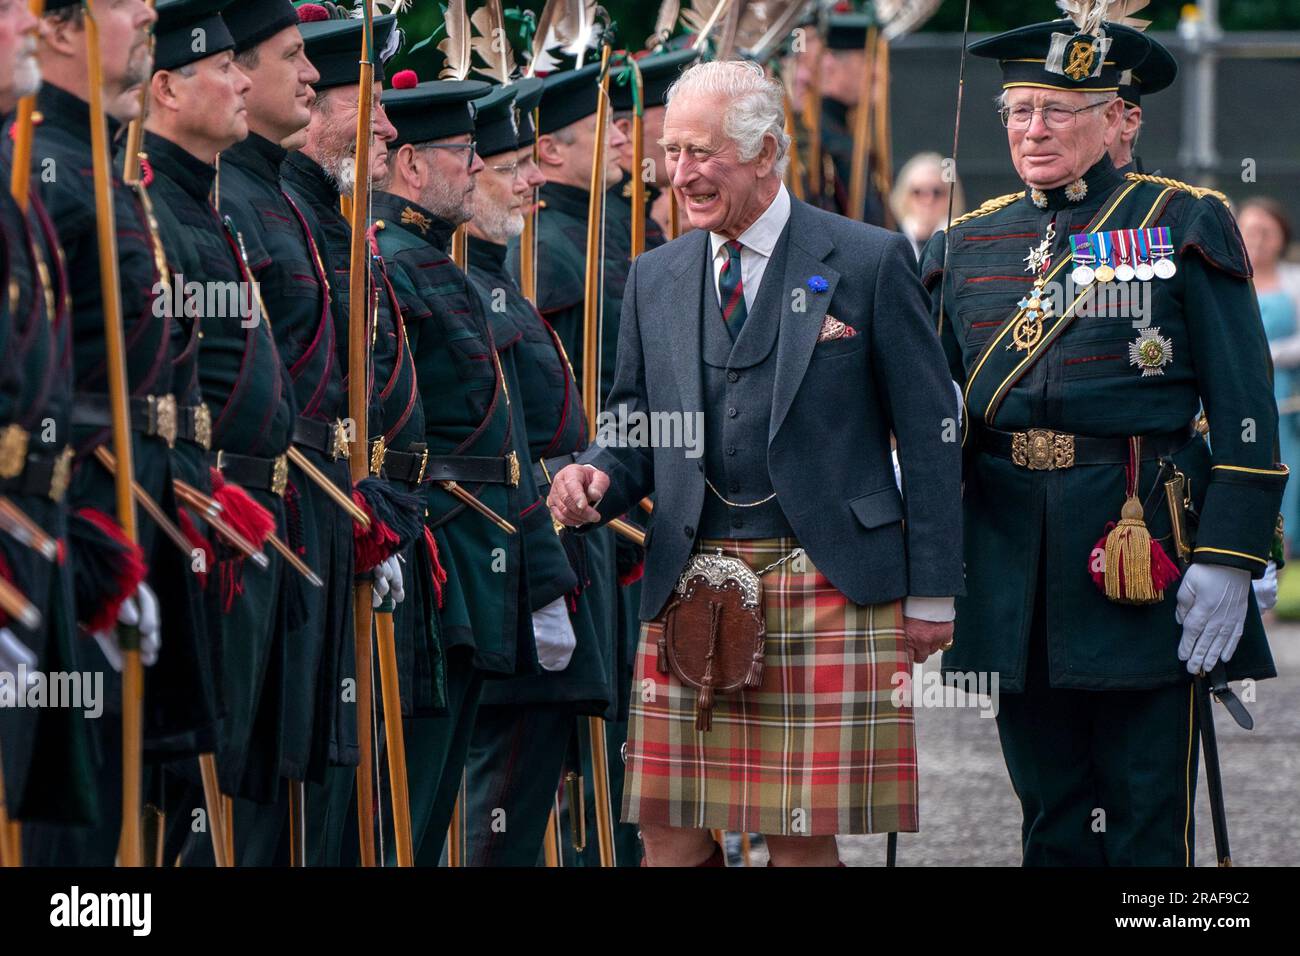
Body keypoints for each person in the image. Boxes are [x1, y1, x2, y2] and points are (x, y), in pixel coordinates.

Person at [547, 59, 962, 867]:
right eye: (672, 153)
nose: (681, 174)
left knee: (799, 835)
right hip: (689, 576)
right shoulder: (656, 273)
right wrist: (600, 470)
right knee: (668, 832)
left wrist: (933, 591)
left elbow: (930, 431)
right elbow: (638, 418)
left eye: (703, 152)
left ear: (768, 151)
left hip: (831, 579)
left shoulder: (869, 261)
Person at [922, 13, 1284, 866]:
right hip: (1012, 566)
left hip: (1141, 556)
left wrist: (1231, 553)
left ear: (1122, 119)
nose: (1033, 129)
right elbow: (930, 416)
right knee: (1049, 814)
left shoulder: (1185, 221)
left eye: (1058, 109)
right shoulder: (967, 243)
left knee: (1147, 815)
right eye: (1018, 110)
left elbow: (1244, 404)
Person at [23, 0, 199, 867]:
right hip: (70, 527)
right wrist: (81, 526)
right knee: (67, 832)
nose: (148, 14)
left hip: (120, 517)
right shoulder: (38, 166)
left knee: (122, 819)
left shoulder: (97, 163)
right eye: (127, 1)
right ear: (59, 28)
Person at [370, 72, 541, 866]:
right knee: (409, 798)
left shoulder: (431, 259)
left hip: (476, 553)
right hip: (439, 549)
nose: (479, 166)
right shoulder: (396, 260)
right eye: (464, 152)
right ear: (410, 167)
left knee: (435, 799)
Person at [460, 79, 623, 866]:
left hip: (555, 540)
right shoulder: (474, 277)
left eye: (531, 162)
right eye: (508, 163)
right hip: (516, 552)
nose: (531, 180)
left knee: (526, 791)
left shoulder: (497, 275)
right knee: (497, 796)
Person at [281, 8, 414, 866]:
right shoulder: (282, 211)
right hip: (289, 522)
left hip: (343, 518)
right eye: (366, 106)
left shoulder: (323, 215)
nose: (387, 127)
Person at [513, 61, 644, 866]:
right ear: (553, 156)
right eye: (606, 126)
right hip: (577, 497)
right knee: (575, 741)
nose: (625, 133)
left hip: (613, 494)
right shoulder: (552, 249)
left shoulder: (598, 230)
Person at [1239, 198, 1299, 552]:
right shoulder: (1226, 275)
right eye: (1250, 231)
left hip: (1283, 401)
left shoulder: (1294, 281)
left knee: (1283, 476)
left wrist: (1270, 355)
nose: (1258, 240)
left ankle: (1278, 558)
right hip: (1230, 397)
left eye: (1266, 232)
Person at [793, 11, 888, 226]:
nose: (879, 73)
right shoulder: (822, 140)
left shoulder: (844, 135)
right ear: (830, 63)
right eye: (866, 60)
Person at [609, 47, 699, 252]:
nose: (688, 134)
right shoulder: (609, 224)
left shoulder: (647, 207)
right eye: (671, 121)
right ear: (626, 132)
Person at [891, 151, 964, 260]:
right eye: (917, 192)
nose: (928, 200)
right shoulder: (890, 239)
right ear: (904, 196)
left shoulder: (963, 242)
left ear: (951, 197)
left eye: (936, 192)